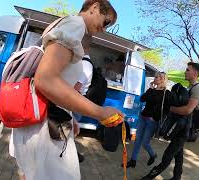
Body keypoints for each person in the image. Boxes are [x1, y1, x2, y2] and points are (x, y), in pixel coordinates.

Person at [9, 1, 121, 180]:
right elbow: (45, 79)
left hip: (38, 118)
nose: (104, 29)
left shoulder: (61, 23)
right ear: (94, 7)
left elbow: (55, 78)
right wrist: (99, 112)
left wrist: (68, 113)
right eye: (106, 22)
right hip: (45, 127)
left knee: (28, 174)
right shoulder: (76, 25)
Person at [142, 62, 199, 180]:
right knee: (178, 155)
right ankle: (176, 177)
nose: (185, 72)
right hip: (180, 127)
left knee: (168, 155)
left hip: (184, 130)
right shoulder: (189, 88)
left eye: (187, 70)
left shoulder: (198, 89)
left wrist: (169, 108)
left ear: (195, 73)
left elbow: (188, 110)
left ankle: (149, 176)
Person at [125, 72, 171, 168]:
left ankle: (153, 155)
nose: (154, 78)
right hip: (143, 117)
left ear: (162, 79)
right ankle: (133, 160)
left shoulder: (166, 93)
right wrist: (150, 88)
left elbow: (167, 109)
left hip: (152, 121)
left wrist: (155, 117)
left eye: (156, 77)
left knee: (145, 142)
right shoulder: (152, 90)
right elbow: (142, 99)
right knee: (137, 140)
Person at [73, 35, 93, 163]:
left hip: (75, 101)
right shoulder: (82, 63)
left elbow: (76, 87)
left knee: (67, 131)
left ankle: (72, 156)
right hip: (75, 100)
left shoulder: (85, 65)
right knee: (68, 132)